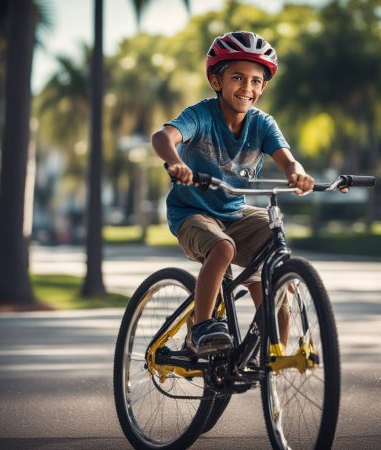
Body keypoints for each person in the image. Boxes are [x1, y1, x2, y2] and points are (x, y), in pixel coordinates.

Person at [151, 31, 314, 356]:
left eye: (256, 81)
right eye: (238, 78)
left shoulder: (263, 124)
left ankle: (272, 347)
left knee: (273, 246)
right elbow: (162, 137)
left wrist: (296, 173)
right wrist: (175, 162)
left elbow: (287, 159)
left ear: (263, 87)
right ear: (216, 80)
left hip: (234, 212)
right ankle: (201, 328)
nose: (247, 88)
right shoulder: (201, 115)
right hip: (191, 215)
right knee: (223, 248)